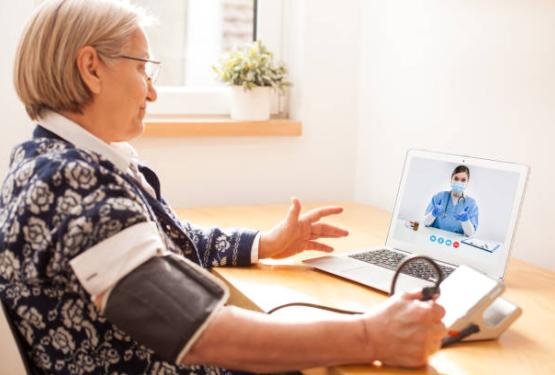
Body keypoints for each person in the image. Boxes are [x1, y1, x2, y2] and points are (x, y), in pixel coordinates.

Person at [0, 1, 446, 373]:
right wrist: (371, 335)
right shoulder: (70, 183)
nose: (152, 94)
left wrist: (264, 244)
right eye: (144, 70)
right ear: (91, 68)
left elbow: (164, 244)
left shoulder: (44, 161)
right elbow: (195, 332)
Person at [424, 165, 479, 236]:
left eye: (463, 180)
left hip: (455, 243)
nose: (459, 182)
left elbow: (470, 234)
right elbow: (425, 222)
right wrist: (433, 214)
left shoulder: (471, 204)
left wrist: (466, 221)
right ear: (451, 179)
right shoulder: (440, 197)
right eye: (456, 179)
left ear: (467, 182)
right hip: (435, 238)